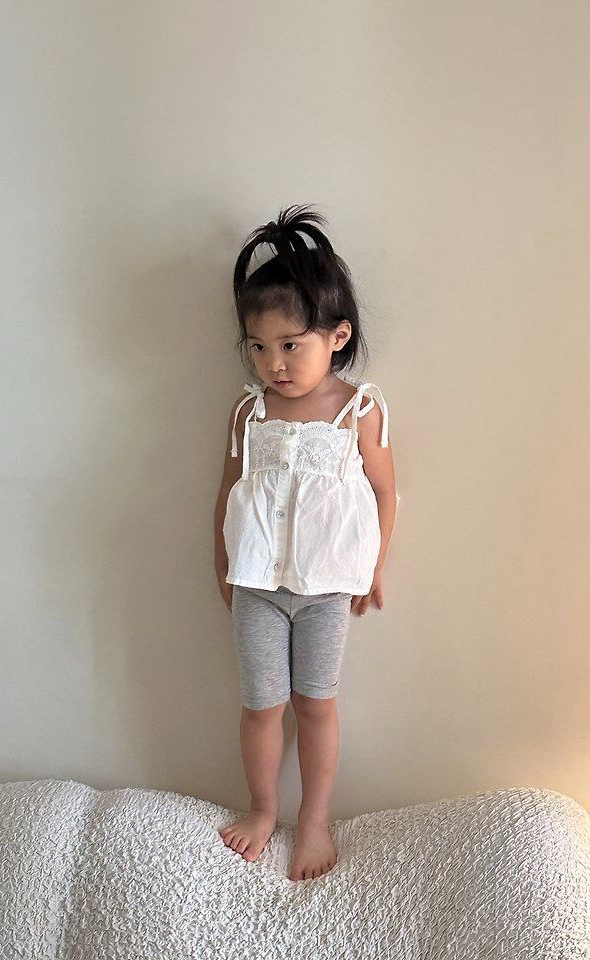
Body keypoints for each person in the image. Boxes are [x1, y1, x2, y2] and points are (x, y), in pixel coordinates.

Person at [213, 204, 400, 882]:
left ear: (336, 335)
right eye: (259, 347)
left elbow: (385, 492)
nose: (274, 363)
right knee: (261, 706)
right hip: (257, 588)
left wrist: (373, 566)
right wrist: (222, 564)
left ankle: (314, 818)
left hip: (325, 590)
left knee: (316, 706)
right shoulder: (249, 410)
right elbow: (228, 491)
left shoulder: (359, 409)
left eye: (291, 345)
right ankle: (263, 808)